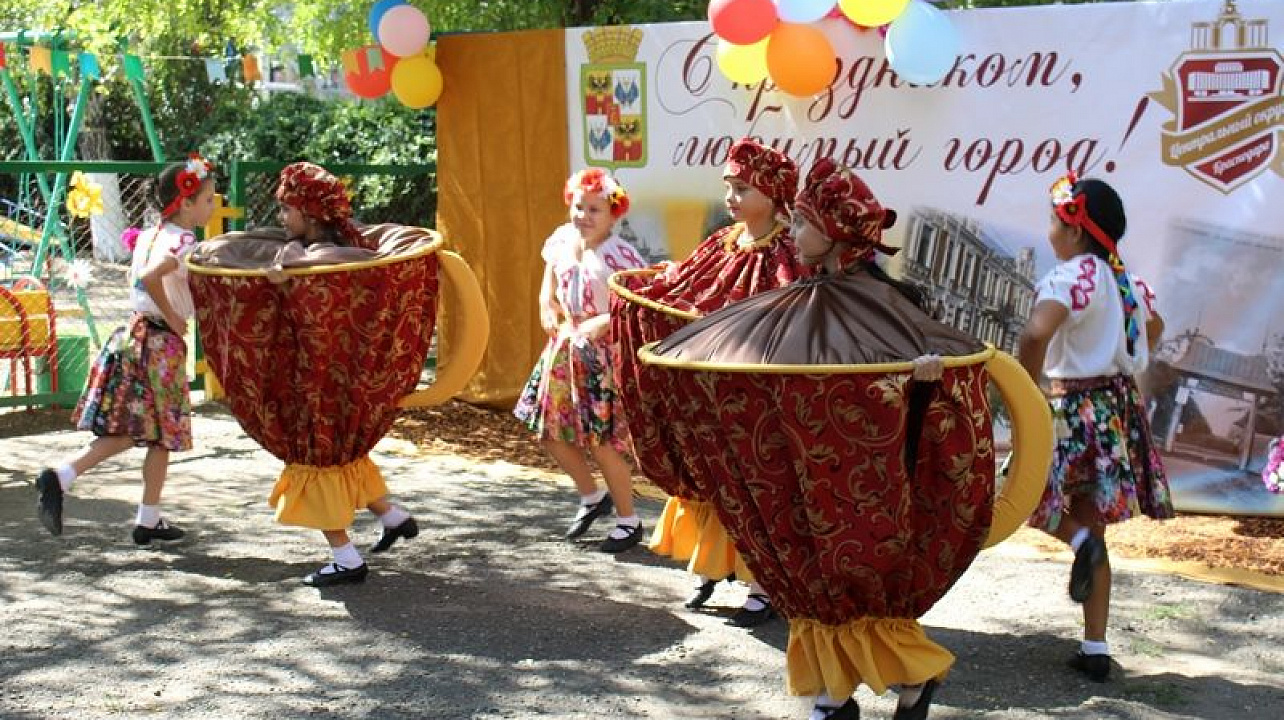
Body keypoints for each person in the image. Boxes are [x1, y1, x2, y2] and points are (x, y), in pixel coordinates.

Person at [639, 159, 1000, 720]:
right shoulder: (800, 299)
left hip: (869, 474)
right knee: (822, 585)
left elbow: (928, 387)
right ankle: (881, 688)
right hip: (814, 468)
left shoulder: (888, 307)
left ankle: (847, 697)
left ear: (834, 234)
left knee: (846, 584)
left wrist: (926, 378)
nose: (795, 231)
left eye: (805, 222)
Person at [610, 138, 805, 625]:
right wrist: (653, 285)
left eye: (743, 188)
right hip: (710, 391)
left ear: (774, 193)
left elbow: (784, 314)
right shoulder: (722, 241)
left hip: (755, 395)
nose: (732, 197)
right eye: (729, 188)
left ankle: (766, 586)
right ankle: (714, 567)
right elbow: (685, 285)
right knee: (712, 476)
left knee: (756, 486)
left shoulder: (786, 255)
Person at [1016, 173, 1173, 683]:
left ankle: (1078, 540)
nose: (1050, 233)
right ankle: (1095, 647)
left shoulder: (1073, 278)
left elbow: (1036, 332)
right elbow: (1154, 326)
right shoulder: (1127, 284)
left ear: (1077, 230)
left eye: (1054, 223)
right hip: (1112, 412)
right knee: (1094, 523)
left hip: (1067, 408)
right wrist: (1124, 355)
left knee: (1016, 496)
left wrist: (1027, 389)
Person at [34, 155, 216, 544]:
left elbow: (142, 282)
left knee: (138, 431)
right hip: (159, 344)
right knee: (161, 435)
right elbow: (152, 280)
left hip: (132, 335)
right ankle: (143, 516)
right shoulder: (183, 242)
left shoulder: (150, 234)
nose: (212, 206)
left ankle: (67, 479)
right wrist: (174, 319)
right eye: (207, 199)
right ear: (185, 203)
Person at [269, 161, 421, 587]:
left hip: (319, 384)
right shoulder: (329, 254)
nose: (282, 219)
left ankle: (345, 558)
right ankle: (394, 517)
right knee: (345, 456)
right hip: (341, 381)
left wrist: (289, 272)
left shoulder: (311, 260)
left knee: (315, 462)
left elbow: (320, 301)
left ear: (311, 215)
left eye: (287, 210)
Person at [514, 168, 648, 553]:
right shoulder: (561, 240)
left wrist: (598, 324)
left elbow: (631, 307)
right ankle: (592, 497)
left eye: (595, 210)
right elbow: (549, 281)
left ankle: (628, 520)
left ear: (613, 214)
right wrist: (546, 302)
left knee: (602, 442)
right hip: (563, 347)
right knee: (547, 430)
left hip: (600, 357)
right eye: (579, 207)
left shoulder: (621, 256)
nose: (584, 216)